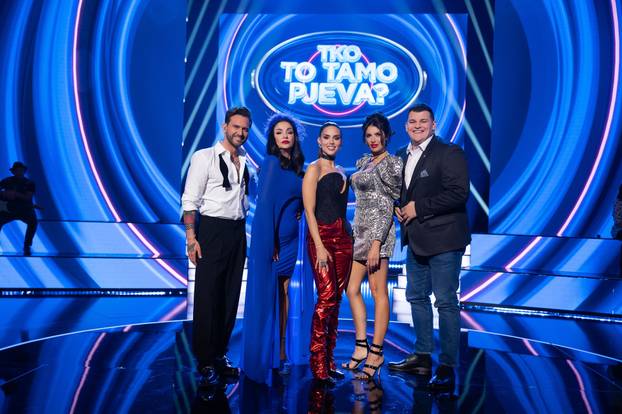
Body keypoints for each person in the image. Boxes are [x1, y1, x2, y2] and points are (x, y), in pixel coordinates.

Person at [388, 104, 470, 392]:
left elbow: (459, 193)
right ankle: (422, 357)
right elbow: (401, 193)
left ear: (433, 125)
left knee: (445, 301)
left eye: (423, 121)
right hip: (416, 239)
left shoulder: (449, 152)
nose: (417, 125)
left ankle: (447, 366)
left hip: (445, 239)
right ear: (406, 125)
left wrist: (417, 208)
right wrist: (398, 207)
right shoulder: (401, 155)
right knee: (416, 296)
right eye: (412, 121)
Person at [181, 106, 252, 386]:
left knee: (230, 296)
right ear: (225, 127)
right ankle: (205, 360)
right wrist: (191, 238)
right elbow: (190, 200)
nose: (240, 132)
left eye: (245, 128)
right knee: (208, 297)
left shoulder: (245, 159)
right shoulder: (204, 157)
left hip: (237, 231)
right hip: (211, 230)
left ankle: (220, 354)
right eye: (236, 126)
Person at [241, 113, 313, 385]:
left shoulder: (298, 167)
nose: (284, 136)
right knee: (268, 294)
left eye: (289, 132)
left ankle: (280, 350)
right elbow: (264, 206)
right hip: (273, 243)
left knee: (283, 293)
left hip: (291, 241)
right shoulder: (271, 163)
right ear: (273, 137)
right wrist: (269, 241)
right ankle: (266, 353)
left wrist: (299, 210)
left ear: (295, 137)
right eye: (279, 132)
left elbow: (298, 199)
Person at [342, 113, 402, 380]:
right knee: (351, 288)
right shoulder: (364, 161)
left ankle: (376, 353)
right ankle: (360, 347)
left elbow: (388, 205)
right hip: (360, 232)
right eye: (369, 135)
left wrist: (377, 243)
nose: (373, 139)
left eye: (378, 134)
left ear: (386, 136)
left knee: (378, 292)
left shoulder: (392, 163)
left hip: (379, 234)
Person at [302, 121, 353, 385]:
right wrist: (320, 245)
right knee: (326, 298)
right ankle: (318, 363)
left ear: (341, 142)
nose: (331, 141)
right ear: (319, 141)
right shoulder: (313, 169)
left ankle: (329, 360)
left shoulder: (342, 171)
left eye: (336, 138)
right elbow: (309, 211)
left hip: (344, 240)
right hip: (321, 240)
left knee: (336, 301)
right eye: (326, 137)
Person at [0, 162, 38, 256]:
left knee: (33, 222)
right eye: (16, 170)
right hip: (8, 209)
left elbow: (28, 198)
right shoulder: (6, 181)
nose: (19, 172)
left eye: (21, 170)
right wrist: (4, 194)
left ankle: (27, 245)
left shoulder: (29, 183)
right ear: (13, 171)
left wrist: (15, 194)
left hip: (24, 209)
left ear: (24, 171)